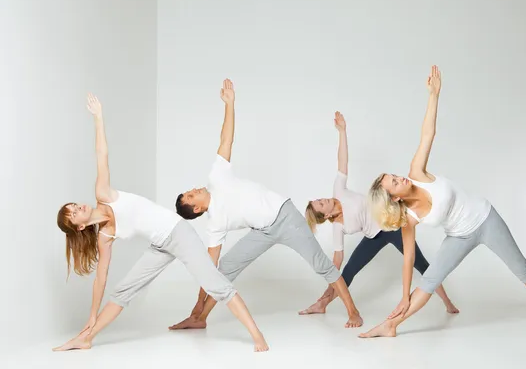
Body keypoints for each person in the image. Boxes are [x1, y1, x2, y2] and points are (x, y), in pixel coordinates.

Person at [359, 66, 526, 339]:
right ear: (393, 198)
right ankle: (390, 325)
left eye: (394, 175)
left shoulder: (417, 172)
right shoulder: (409, 219)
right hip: (459, 236)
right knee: (428, 282)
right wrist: (404, 296)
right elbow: (409, 259)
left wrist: (434, 96)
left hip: (486, 219)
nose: (399, 178)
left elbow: (428, 134)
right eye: (394, 182)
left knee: (524, 270)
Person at [53, 93, 269, 352]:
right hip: (160, 245)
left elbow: (102, 153)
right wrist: (91, 315)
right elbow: (101, 277)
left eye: (74, 206)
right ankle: (86, 338)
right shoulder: (105, 235)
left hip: (178, 232)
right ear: (79, 227)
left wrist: (98, 118)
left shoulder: (103, 194)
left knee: (216, 284)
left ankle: (257, 335)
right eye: (74, 213)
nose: (79, 207)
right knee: (123, 291)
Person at [169, 79, 363, 331]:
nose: (193, 190)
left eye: (189, 191)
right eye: (190, 196)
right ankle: (200, 317)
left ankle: (353, 311)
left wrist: (230, 104)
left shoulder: (216, 176)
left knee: (321, 265)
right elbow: (210, 268)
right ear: (196, 209)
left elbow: (226, 140)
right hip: (262, 230)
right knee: (225, 268)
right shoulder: (215, 223)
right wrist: (198, 301)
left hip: (285, 216)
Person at [299, 112, 459, 315]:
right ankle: (322, 304)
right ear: (327, 216)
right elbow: (337, 262)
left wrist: (342, 132)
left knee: (422, 265)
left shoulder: (338, 190)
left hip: (392, 226)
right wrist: (327, 289)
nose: (324, 199)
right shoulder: (338, 228)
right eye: (321, 204)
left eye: (320, 199)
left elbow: (342, 162)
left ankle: (447, 302)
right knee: (348, 271)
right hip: (373, 237)